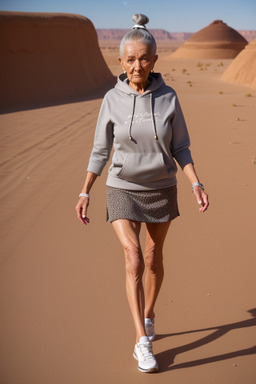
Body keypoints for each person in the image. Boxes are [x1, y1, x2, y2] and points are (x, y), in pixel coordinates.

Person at [75, 13, 209, 373]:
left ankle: (149, 314)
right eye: (131, 59)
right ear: (121, 62)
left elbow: (181, 146)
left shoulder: (168, 97)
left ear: (154, 60)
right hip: (121, 187)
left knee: (153, 257)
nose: (137, 65)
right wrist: (85, 190)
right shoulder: (111, 99)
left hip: (162, 187)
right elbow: (100, 150)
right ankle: (141, 341)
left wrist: (195, 182)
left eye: (144, 58)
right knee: (133, 258)